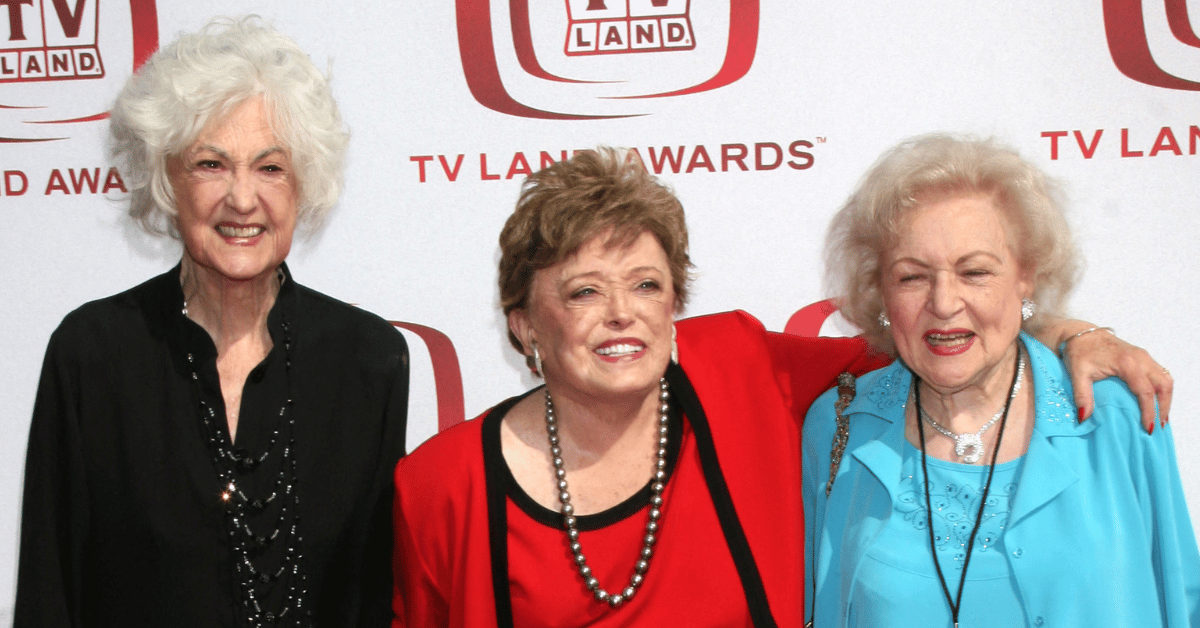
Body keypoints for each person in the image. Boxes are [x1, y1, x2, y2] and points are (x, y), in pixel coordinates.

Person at [391, 147, 1170, 627]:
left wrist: (1072, 333)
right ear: (525, 324)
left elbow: (936, 336)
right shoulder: (442, 485)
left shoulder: (737, 368)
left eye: (647, 284)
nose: (621, 314)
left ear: (676, 305)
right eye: (585, 292)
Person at [14, 17, 409, 627]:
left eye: (270, 167)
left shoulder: (368, 360)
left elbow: (373, 597)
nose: (243, 199)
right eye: (211, 164)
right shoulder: (91, 353)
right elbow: (51, 589)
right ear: (165, 179)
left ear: (304, 183)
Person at [804, 134, 1198, 627]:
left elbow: (1182, 600)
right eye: (912, 277)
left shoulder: (1117, 414)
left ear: (1025, 277)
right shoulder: (841, 426)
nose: (944, 303)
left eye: (974, 272)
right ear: (880, 291)